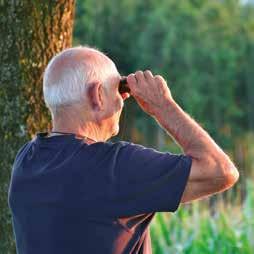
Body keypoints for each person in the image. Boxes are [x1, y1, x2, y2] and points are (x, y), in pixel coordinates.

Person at [8, 46, 239, 254]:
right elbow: (220, 171)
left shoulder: (26, 161)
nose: (123, 99)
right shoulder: (115, 168)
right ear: (97, 96)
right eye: (118, 88)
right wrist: (163, 105)